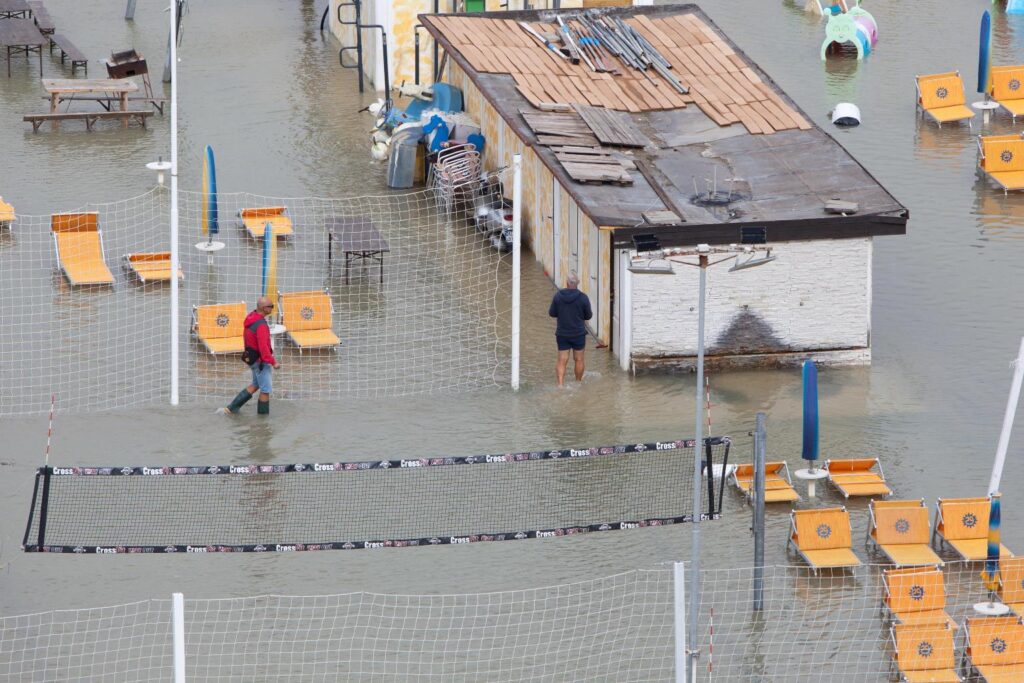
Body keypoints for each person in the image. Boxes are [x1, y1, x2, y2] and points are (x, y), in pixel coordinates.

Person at [223, 297, 280, 415]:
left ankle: (231, 408)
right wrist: (273, 362)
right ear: (264, 308)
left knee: (256, 384)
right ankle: (263, 422)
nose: (273, 308)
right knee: (265, 390)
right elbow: (264, 347)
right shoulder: (261, 325)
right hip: (260, 362)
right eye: (271, 306)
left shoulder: (250, 318)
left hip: (252, 359)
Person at [548, 272, 592, 387]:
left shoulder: (558, 296)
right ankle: (578, 383)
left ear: (566, 283)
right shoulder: (583, 298)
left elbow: (552, 313)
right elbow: (588, 316)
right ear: (578, 284)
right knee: (579, 359)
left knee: (562, 360)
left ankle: (560, 385)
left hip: (562, 334)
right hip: (578, 334)